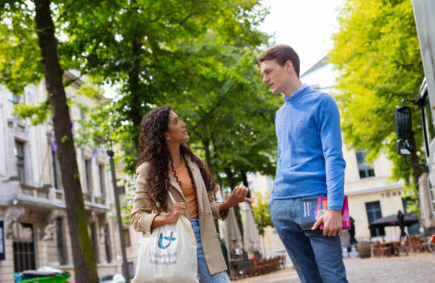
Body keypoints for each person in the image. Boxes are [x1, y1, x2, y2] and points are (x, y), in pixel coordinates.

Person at [130, 106, 252, 283]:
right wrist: (167, 218)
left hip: (205, 240)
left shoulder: (195, 163)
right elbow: (137, 217)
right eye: (176, 121)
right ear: (166, 135)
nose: (183, 124)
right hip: (172, 244)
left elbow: (208, 206)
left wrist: (228, 203)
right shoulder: (147, 171)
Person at [258, 45, 348, 282]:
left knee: (333, 278)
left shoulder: (322, 102)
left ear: (289, 66)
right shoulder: (280, 114)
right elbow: (283, 159)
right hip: (281, 206)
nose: (265, 79)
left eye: (268, 71)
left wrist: (335, 207)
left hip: (315, 204)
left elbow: (333, 157)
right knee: (309, 280)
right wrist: (274, 202)